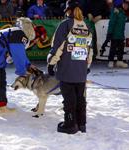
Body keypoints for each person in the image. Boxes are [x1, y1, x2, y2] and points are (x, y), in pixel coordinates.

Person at [47, 0, 93, 134]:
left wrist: (51, 63)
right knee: (80, 98)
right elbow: (89, 50)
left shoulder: (65, 25)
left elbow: (57, 48)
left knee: (69, 100)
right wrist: (87, 66)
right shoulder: (87, 26)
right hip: (81, 71)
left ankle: (70, 124)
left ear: (68, 11)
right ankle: (81, 124)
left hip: (67, 69)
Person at [107, 0, 129, 68]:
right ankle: (111, 61)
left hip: (121, 35)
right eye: (125, 4)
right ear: (122, 4)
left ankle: (119, 61)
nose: (127, 6)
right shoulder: (115, 12)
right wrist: (109, 33)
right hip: (115, 35)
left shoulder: (122, 13)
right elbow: (111, 23)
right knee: (113, 48)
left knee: (121, 49)